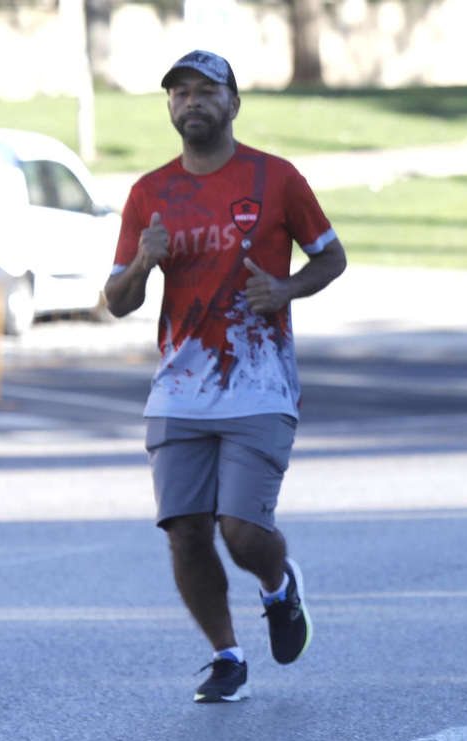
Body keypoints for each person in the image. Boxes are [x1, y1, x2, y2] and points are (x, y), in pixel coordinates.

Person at [102, 50, 347, 703]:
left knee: (240, 530)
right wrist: (141, 266)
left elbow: (332, 257)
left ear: (233, 103)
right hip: (179, 387)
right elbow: (116, 300)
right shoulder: (148, 194)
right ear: (170, 108)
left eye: (205, 91)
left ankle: (278, 586)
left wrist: (287, 288)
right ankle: (226, 655)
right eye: (179, 93)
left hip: (259, 380)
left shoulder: (277, 179)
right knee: (185, 529)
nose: (191, 102)